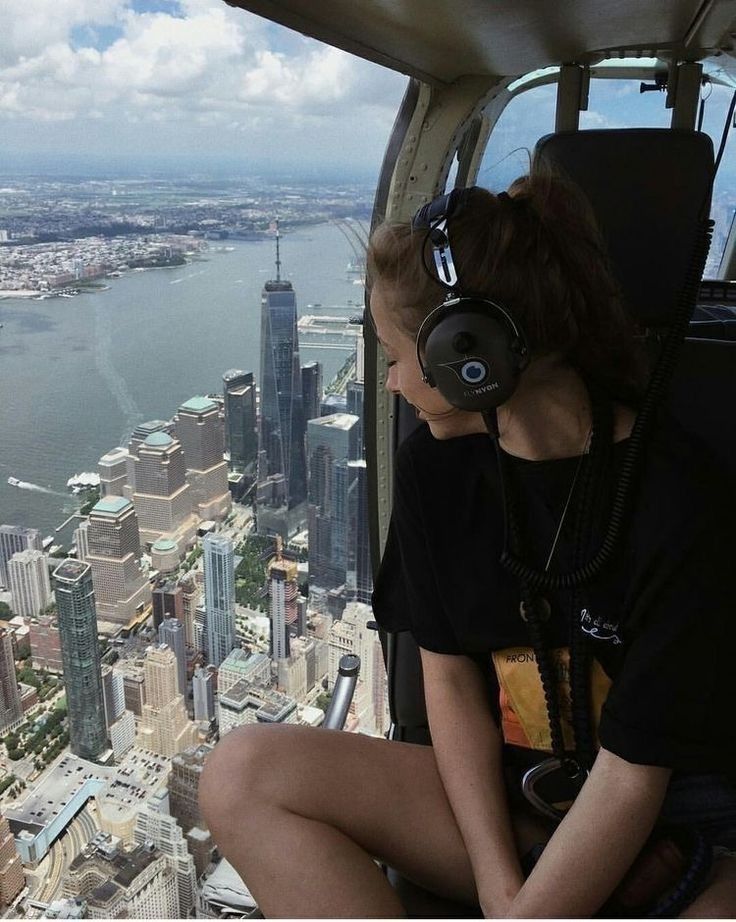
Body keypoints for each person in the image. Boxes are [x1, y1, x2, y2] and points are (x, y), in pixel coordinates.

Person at [199, 170, 736, 918]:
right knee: (242, 772)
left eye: (394, 355)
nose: (388, 383)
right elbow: (449, 682)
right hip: (514, 806)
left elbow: (634, 775)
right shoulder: (435, 467)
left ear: (467, 350)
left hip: (682, 827)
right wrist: (497, 885)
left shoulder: (680, 496)